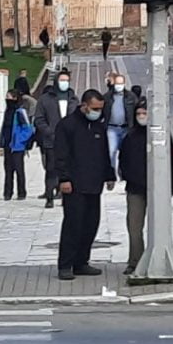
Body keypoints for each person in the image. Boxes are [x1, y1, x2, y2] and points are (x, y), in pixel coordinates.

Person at [54, 89, 116, 281]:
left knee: (91, 224)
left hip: (94, 183)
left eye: (100, 109)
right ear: (84, 106)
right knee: (73, 225)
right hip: (74, 184)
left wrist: (109, 174)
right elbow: (61, 154)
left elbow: (104, 151)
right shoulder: (67, 126)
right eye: (95, 108)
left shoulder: (98, 126)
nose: (98, 112)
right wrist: (64, 179)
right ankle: (65, 265)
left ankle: (82, 262)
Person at [34, 71, 79, 209]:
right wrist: (49, 132)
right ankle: (49, 196)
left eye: (67, 80)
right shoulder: (45, 99)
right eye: (62, 80)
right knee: (51, 169)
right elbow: (39, 119)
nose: (64, 83)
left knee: (69, 170)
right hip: (51, 140)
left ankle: (65, 196)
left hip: (70, 141)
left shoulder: (73, 98)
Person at [119, 102, 149, 275]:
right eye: (139, 113)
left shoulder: (160, 135)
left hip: (156, 189)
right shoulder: (130, 137)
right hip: (135, 189)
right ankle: (135, 261)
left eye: (145, 112)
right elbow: (123, 160)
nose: (142, 116)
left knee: (158, 226)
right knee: (134, 226)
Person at [0, 90, 31, 201]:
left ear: (14, 98)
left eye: (8, 97)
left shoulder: (20, 112)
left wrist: (19, 140)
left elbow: (28, 129)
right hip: (7, 145)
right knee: (8, 170)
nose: (6, 99)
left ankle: (21, 192)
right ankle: (7, 192)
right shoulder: (7, 111)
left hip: (17, 146)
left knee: (19, 170)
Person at [103, 74, 136, 174]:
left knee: (126, 152)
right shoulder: (107, 97)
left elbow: (136, 110)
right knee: (111, 151)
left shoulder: (131, 97)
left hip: (126, 128)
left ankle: (124, 172)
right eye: (117, 83)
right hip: (111, 128)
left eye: (121, 83)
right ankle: (112, 173)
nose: (119, 85)